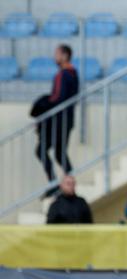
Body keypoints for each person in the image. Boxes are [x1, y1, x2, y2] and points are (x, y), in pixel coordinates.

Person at [34, 44, 79, 196]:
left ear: (65, 55)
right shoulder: (73, 73)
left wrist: (42, 114)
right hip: (67, 120)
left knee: (41, 150)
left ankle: (55, 183)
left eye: (57, 54)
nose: (55, 57)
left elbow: (56, 99)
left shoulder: (63, 74)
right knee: (60, 153)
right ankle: (69, 183)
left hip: (58, 121)